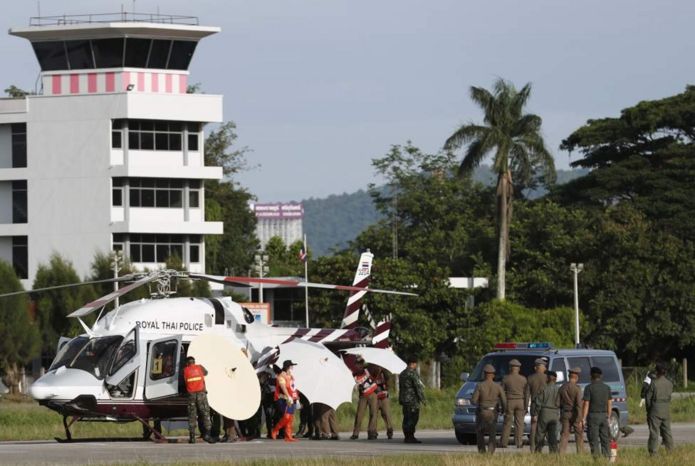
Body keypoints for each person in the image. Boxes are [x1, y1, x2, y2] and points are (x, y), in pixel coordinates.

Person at [472, 364, 506, 454]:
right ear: (493, 375)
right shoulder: (498, 386)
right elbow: (504, 400)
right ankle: (490, 451)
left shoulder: (480, 386)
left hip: (482, 412)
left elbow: (473, 401)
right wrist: (503, 410)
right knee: (492, 433)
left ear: (484, 374)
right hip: (493, 412)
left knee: (480, 432)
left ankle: (482, 451)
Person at [183, 356, 216, 444]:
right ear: (194, 362)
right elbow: (206, 373)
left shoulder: (185, 370)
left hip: (191, 396)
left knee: (192, 415)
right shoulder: (200, 367)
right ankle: (207, 435)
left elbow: (184, 381)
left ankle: (192, 437)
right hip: (201, 394)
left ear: (187, 363)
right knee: (205, 414)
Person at [582, 366, 611, 458]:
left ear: (591, 376)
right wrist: (609, 416)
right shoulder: (607, 387)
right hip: (604, 416)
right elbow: (609, 403)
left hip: (593, 416)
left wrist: (583, 418)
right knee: (605, 438)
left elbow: (586, 404)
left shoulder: (588, 388)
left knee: (593, 438)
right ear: (601, 376)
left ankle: (596, 459)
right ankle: (607, 457)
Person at [645, 361, 674, 456]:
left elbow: (648, 398)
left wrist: (649, 410)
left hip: (655, 409)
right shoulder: (669, 383)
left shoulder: (654, 383)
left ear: (656, 371)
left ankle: (653, 453)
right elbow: (669, 397)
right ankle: (670, 451)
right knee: (667, 431)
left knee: (654, 432)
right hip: (666, 409)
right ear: (665, 372)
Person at [500, 358, 527, 449]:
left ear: (510, 368)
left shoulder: (505, 378)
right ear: (518, 368)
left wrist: (502, 405)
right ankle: (519, 443)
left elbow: (501, 393)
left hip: (509, 402)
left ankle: (504, 442)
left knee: (507, 422)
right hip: (520, 401)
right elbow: (526, 393)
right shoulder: (523, 379)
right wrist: (526, 405)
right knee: (519, 423)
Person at [350, 356, 379, 440]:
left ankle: (371, 432)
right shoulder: (354, 375)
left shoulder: (368, 370)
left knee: (373, 413)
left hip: (373, 394)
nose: (360, 366)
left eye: (361, 363)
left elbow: (376, 370)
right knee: (359, 414)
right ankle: (355, 433)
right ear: (355, 365)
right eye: (358, 364)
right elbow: (354, 386)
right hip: (363, 396)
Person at [398, 356, 426, 444]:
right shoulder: (412, 373)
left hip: (404, 399)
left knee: (406, 417)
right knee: (413, 418)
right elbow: (418, 387)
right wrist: (423, 399)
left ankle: (407, 436)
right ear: (413, 364)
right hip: (412, 400)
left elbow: (401, 387)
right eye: (415, 364)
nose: (416, 366)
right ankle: (410, 436)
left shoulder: (402, 373)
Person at [271, 360, 299, 442]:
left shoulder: (291, 376)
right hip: (283, 398)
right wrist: (288, 396)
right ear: (287, 367)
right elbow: (283, 387)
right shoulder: (281, 376)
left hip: (291, 399)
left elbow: (293, 388)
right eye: (291, 366)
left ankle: (288, 436)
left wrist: (297, 398)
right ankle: (275, 430)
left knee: (290, 418)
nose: (292, 368)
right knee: (286, 417)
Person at [533, 370, 560, 453]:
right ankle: (553, 452)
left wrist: (535, 414)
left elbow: (538, 402)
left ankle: (538, 451)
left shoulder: (543, 388)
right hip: (555, 413)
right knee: (553, 434)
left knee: (541, 432)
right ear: (555, 379)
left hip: (544, 412)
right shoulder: (559, 389)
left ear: (548, 378)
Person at [558, 367, 584, 454]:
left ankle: (561, 454)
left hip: (565, 413)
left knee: (564, 434)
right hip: (575, 414)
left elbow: (558, 403)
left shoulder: (562, 387)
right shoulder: (577, 388)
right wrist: (580, 418)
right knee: (579, 434)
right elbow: (579, 405)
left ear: (569, 376)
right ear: (576, 377)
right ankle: (580, 453)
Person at [526, 358, 547, 451]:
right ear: (542, 368)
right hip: (545, 405)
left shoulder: (530, 378)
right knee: (543, 427)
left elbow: (527, 395)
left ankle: (532, 447)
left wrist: (526, 406)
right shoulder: (547, 378)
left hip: (534, 404)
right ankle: (540, 446)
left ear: (535, 368)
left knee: (533, 427)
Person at [371, 365, 394, 440]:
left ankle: (389, 430)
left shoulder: (384, 371)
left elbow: (389, 381)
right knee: (374, 414)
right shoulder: (370, 369)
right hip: (374, 395)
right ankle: (373, 432)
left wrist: (383, 370)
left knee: (386, 414)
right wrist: (376, 371)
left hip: (383, 395)